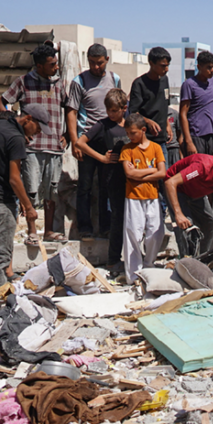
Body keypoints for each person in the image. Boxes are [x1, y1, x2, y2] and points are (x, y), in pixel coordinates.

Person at [0, 43, 70, 243]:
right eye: (52, 64)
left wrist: (69, 136)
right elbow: (0, 102)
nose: (56, 67)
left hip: (54, 146)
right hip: (31, 148)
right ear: (39, 65)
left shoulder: (59, 84)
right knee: (30, 189)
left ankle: (48, 231)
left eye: (56, 63)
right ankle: (31, 231)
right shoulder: (23, 82)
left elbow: (70, 108)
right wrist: (14, 125)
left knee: (51, 191)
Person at [0, 106, 45, 290]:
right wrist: (29, 206)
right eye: (37, 128)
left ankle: (0, 292)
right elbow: (14, 178)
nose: (37, 133)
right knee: (1, 256)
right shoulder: (15, 138)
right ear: (28, 119)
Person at [67, 44, 122, 241]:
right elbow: (72, 112)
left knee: (107, 185)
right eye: (92, 63)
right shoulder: (79, 81)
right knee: (85, 185)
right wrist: (74, 141)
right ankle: (85, 228)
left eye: (99, 63)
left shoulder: (114, 79)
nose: (96, 67)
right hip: (87, 140)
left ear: (106, 60)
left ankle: (106, 226)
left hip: (108, 139)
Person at [74, 89, 130, 272]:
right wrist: (102, 158)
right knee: (117, 218)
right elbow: (80, 143)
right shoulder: (102, 125)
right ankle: (113, 259)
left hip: (132, 178)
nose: (111, 114)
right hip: (113, 179)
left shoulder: (130, 123)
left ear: (124, 108)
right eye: (109, 111)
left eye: (115, 111)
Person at [120, 114, 167, 282]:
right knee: (132, 233)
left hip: (152, 196)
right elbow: (129, 172)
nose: (129, 136)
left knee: (156, 231)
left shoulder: (155, 148)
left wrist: (140, 176)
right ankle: (133, 275)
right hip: (133, 196)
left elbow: (162, 172)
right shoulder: (127, 149)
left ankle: (149, 265)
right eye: (127, 133)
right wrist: (151, 171)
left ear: (143, 130)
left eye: (132, 133)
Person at [128, 46, 175, 163]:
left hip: (161, 141)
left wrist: (167, 125)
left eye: (168, 65)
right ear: (151, 63)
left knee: (163, 176)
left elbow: (164, 106)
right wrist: (148, 121)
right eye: (163, 66)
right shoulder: (139, 84)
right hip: (143, 141)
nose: (167, 69)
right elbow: (133, 112)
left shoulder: (165, 80)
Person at [179, 51, 213, 156]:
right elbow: (183, 114)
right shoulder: (189, 84)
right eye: (208, 67)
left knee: (212, 169)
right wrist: (188, 142)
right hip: (197, 136)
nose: (212, 71)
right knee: (197, 170)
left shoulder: (212, 81)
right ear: (199, 67)